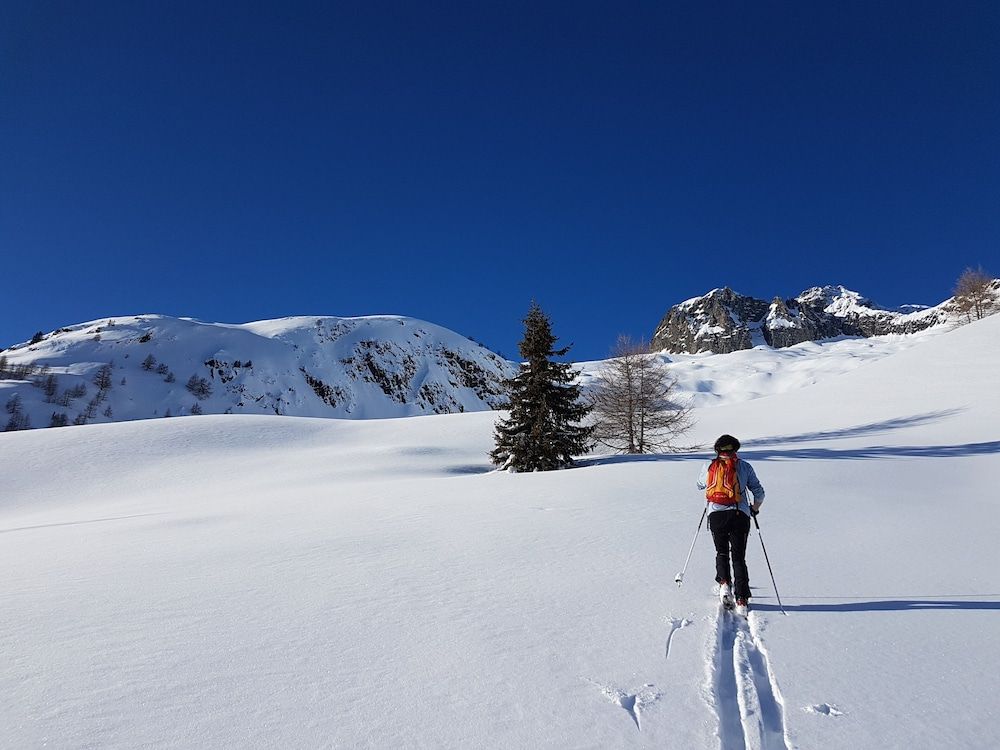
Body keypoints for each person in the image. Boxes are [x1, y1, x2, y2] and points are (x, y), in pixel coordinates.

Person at [696, 434, 764, 615]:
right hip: (739, 514)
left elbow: (699, 485)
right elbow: (759, 492)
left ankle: (724, 584)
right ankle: (742, 598)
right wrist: (754, 509)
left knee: (722, 551)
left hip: (716, 515)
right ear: (736, 449)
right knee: (739, 557)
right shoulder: (744, 466)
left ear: (717, 450)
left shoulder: (709, 466)